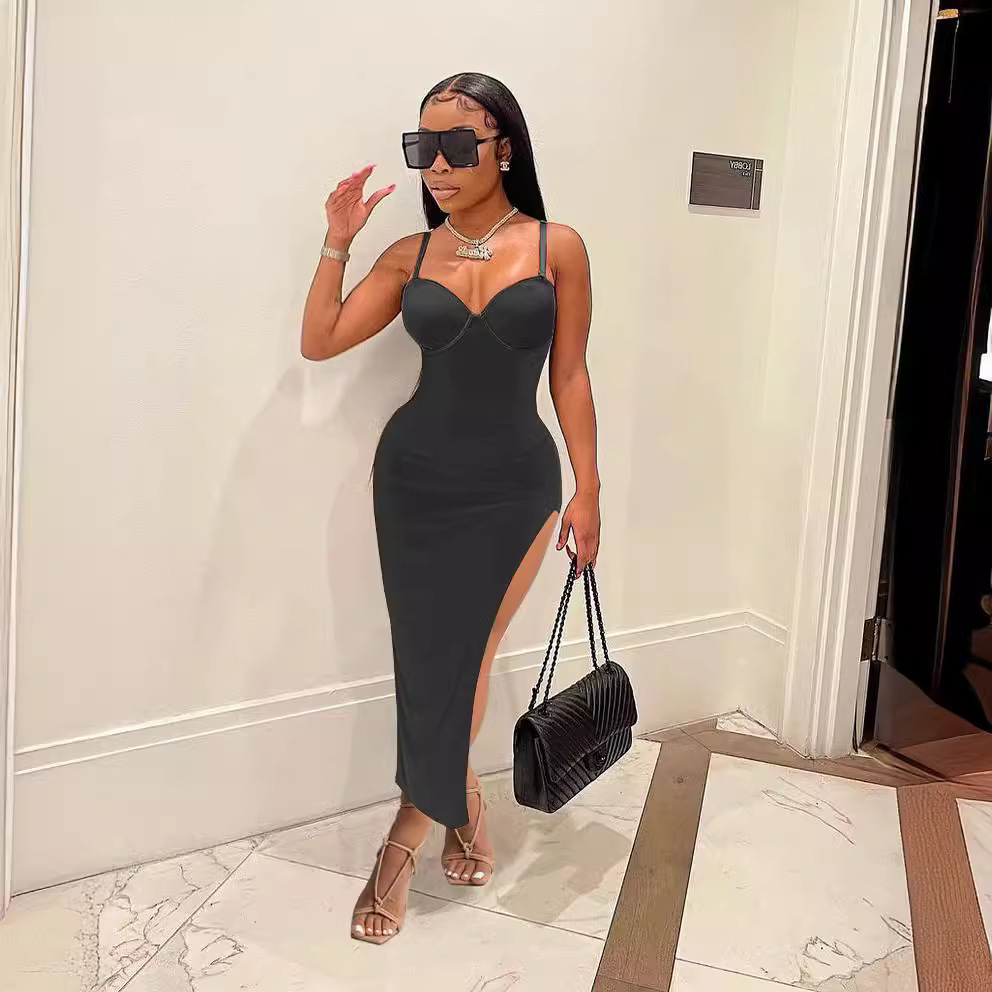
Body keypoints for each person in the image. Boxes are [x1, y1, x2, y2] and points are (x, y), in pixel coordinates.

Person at [301, 72, 601, 944]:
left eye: (456, 145)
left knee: (465, 657)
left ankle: (403, 836)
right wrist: (337, 242)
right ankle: (462, 801)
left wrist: (589, 489)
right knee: (428, 658)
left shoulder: (557, 248)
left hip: (515, 486)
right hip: (414, 480)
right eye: (422, 146)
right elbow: (320, 341)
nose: (435, 164)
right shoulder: (411, 254)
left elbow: (570, 376)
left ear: (503, 148)